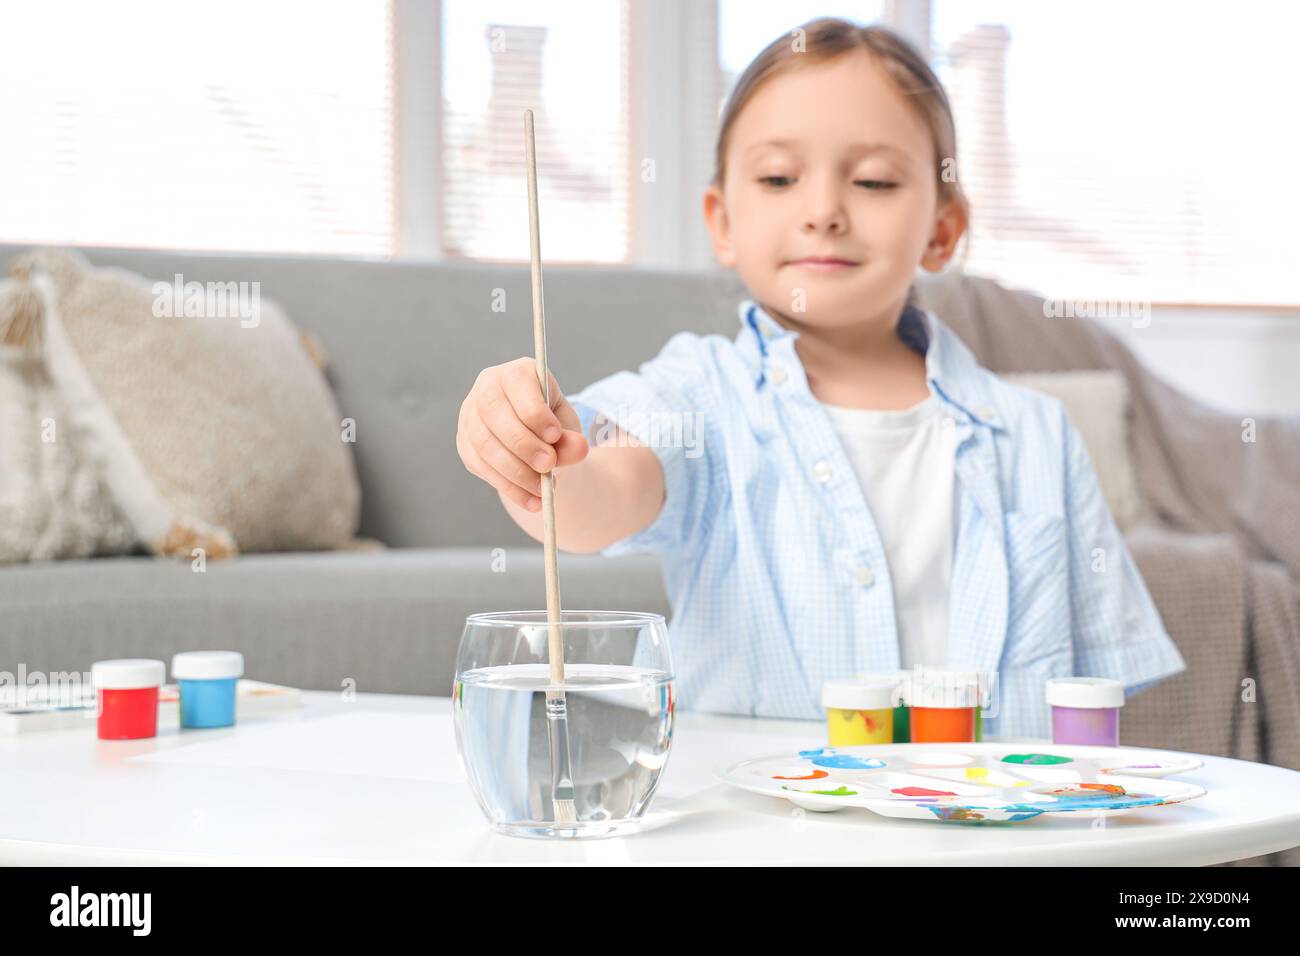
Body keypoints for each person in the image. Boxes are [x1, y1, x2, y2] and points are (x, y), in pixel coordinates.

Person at [454, 18, 1185, 737]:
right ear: (722, 222)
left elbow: (1095, 703)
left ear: (942, 230)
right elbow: (602, 485)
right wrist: (539, 447)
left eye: (872, 180)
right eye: (778, 177)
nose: (824, 211)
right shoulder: (701, 397)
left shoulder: (1039, 435)